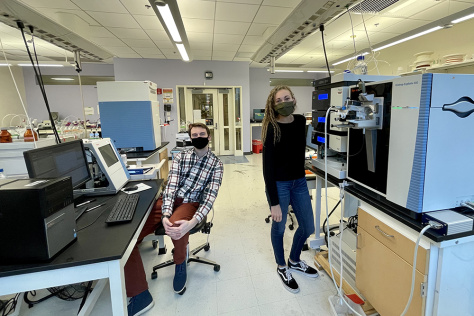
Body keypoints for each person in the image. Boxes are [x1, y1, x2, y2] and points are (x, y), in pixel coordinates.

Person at [125, 122, 224, 316]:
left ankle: (180, 263)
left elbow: (210, 197)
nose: (198, 138)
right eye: (194, 135)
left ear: (209, 137)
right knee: (129, 238)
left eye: (202, 134)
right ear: (190, 138)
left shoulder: (216, 165)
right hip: (169, 200)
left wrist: (193, 222)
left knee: (177, 226)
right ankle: (139, 294)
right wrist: (165, 214)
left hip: (191, 204)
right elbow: (170, 187)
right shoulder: (181, 157)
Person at [261, 85, 318, 293]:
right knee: (279, 227)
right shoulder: (271, 127)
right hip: (279, 184)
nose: (283, 102)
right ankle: (282, 266)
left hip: (299, 182)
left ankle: (294, 260)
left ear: (294, 99)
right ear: (273, 105)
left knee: (308, 227)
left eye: (287, 97)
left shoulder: (301, 121)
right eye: (278, 100)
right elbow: (267, 168)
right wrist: (274, 202)